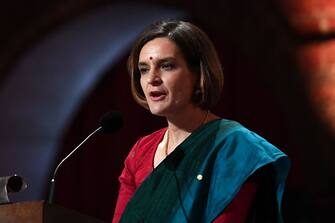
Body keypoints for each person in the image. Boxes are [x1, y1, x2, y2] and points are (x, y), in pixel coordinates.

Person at [112, 20, 290, 223]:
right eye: (143, 69)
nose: (152, 78)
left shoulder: (234, 148)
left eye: (167, 66)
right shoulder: (141, 152)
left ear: (198, 74)